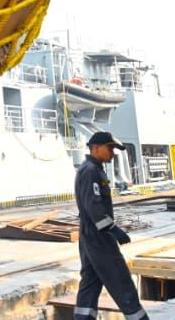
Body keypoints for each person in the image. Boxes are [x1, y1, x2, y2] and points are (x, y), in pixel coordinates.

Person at [74, 131, 149, 320]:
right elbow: (94, 206)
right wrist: (113, 230)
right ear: (96, 148)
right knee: (119, 278)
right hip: (99, 236)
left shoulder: (92, 169)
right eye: (110, 148)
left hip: (89, 236)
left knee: (91, 281)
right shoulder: (91, 171)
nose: (113, 153)